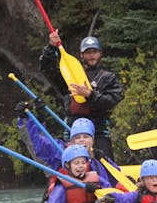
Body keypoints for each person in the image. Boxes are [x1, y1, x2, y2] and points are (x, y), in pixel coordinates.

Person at [38, 31, 123, 159]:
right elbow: (47, 69)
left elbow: (111, 101)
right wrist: (51, 46)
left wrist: (91, 95)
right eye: (88, 53)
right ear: (82, 56)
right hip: (72, 130)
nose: (91, 56)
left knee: (106, 171)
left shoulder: (108, 78)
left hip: (98, 133)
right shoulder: (70, 75)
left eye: (94, 52)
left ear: (101, 54)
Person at [15, 111, 121, 188]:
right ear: (72, 141)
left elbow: (116, 176)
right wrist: (26, 120)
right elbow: (40, 144)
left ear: (92, 140)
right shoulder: (62, 153)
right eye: (78, 138)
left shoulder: (99, 159)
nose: (82, 141)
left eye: (85, 137)